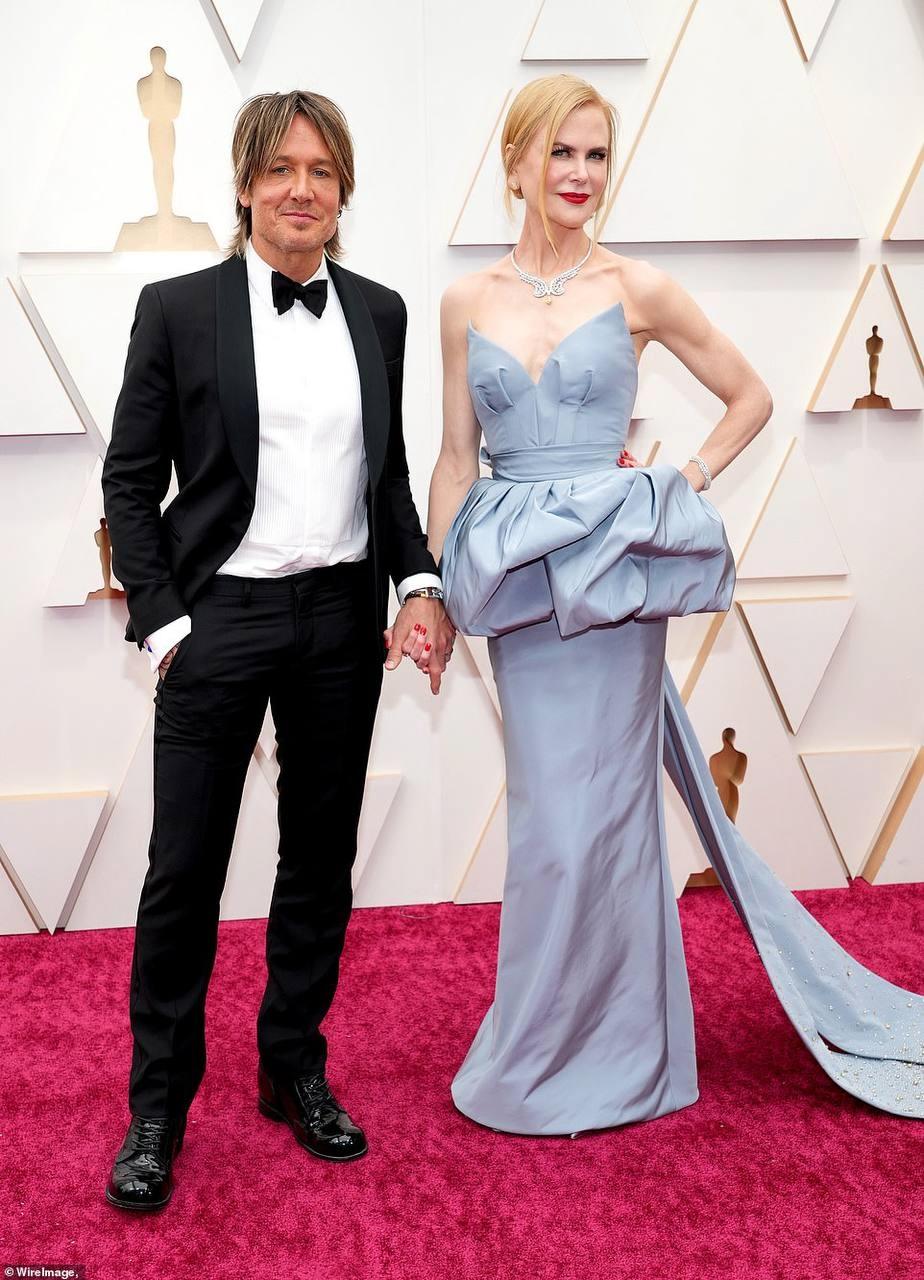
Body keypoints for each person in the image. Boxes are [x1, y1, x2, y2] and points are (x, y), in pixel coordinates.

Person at [428, 74, 924, 1135]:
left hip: (612, 584)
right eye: (560, 151)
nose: (579, 174)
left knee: (608, 820)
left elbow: (751, 396)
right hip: (521, 591)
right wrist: (431, 589)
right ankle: (544, 1043)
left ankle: (622, 1052)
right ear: (515, 163)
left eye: (597, 155)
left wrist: (676, 485)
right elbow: (456, 459)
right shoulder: (465, 302)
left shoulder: (639, 287)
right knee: (549, 827)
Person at [101, 89, 455, 1211]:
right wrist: (167, 622)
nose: (303, 189)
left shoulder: (381, 313)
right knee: (184, 872)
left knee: (318, 859)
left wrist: (419, 583)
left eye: (322, 171)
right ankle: (158, 1106)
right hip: (220, 618)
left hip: (340, 623)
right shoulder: (177, 307)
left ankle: (292, 1064)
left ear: (344, 189)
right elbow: (129, 480)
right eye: (281, 169)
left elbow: (388, 477)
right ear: (247, 182)